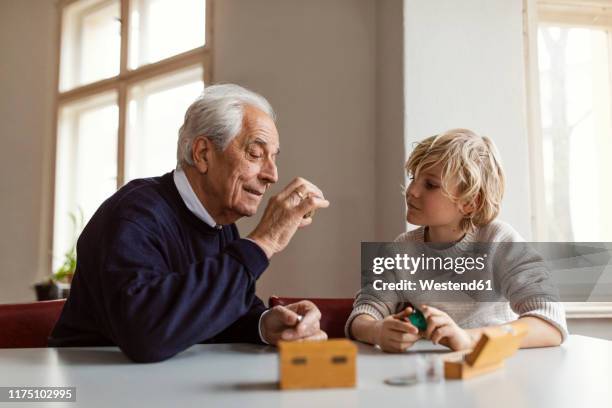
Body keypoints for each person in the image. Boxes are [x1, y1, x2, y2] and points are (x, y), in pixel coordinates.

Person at [49, 84, 330, 362]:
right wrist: (263, 242)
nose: (272, 174)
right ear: (203, 154)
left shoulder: (220, 222)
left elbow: (213, 312)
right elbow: (147, 334)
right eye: (256, 154)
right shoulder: (133, 214)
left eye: (273, 158)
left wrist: (266, 325)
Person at [346, 129, 567, 352]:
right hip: (431, 373)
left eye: (430, 185)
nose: (411, 190)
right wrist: (378, 330)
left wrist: (467, 339)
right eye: (414, 178)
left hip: (494, 371)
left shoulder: (499, 240)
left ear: (470, 202)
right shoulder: (400, 250)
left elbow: (549, 323)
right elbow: (362, 316)